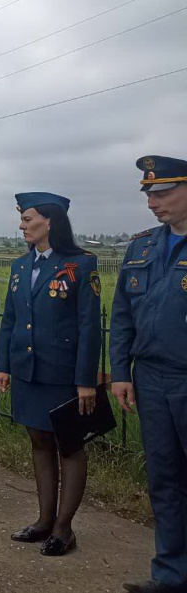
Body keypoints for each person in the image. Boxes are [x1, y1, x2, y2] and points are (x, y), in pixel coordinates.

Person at [0, 192, 101, 557]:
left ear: (50, 222)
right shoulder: (20, 266)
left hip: (63, 375)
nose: (22, 225)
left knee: (69, 446)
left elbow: (90, 327)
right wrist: (3, 365)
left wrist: (86, 380)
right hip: (28, 371)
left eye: (28, 219)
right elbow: (9, 321)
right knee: (39, 442)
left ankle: (64, 528)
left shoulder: (81, 264)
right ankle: (43, 521)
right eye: (22, 219)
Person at [110, 156, 187, 593]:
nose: (152, 203)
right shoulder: (141, 247)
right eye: (148, 195)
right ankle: (170, 574)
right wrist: (122, 372)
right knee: (164, 479)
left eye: (162, 193)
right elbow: (122, 315)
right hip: (152, 380)